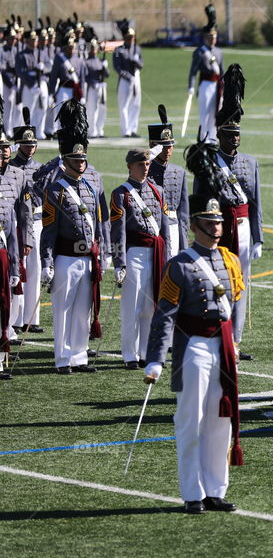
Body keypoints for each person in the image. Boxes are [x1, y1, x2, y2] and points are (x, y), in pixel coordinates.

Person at [143, 194, 245, 514]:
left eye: (218, 222)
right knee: (191, 419)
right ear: (195, 226)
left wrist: (237, 344)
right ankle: (191, 492)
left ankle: (215, 489)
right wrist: (156, 359)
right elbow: (165, 316)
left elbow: (235, 306)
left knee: (220, 420)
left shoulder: (229, 259)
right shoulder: (179, 265)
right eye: (210, 223)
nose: (216, 228)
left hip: (223, 347)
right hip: (194, 347)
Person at [190, 64, 262, 360]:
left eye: (237, 134)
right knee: (220, 280)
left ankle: (236, 340)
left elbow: (256, 201)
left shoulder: (250, 162)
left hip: (242, 227)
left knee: (241, 282)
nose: (234, 139)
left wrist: (257, 237)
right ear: (219, 135)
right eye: (229, 134)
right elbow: (198, 200)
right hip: (219, 227)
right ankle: (217, 333)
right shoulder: (208, 162)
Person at [39, 100, 106, 374]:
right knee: (63, 310)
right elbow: (49, 229)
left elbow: (98, 222)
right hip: (65, 257)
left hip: (87, 256)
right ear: (64, 161)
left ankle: (79, 357)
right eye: (75, 160)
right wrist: (47, 262)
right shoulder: (56, 190)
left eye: (82, 159)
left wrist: (105, 250)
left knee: (82, 311)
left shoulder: (91, 186)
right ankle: (62, 359)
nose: (80, 164)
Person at [110, 148, 171, 369]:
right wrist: (119, 262)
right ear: (130, 166)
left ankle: (146, 352)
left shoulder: (158, 191)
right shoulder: (120, 194)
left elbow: (164, 230)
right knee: (132, 307)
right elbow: (118, 232)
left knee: (150, 307)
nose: (145, 168)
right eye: (140, 165)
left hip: (155, 253)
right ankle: (129, 354)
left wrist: (169, 259)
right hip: (134, 253)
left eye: (147, 164)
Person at [9, 112, 43, 335]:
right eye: (26, 143)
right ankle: (17, 318)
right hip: (17, 223)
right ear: (19, 144)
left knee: (35, 269)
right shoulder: (11, 166)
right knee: (18, 269)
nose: (30, 147)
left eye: (33, 144)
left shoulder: (40, 167)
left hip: (37, 221)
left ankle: (32, 317)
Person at [148, 105, 189, 257]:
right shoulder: (145, 172)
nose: (168, 150)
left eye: (170, 146)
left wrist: (184, 243)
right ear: (153, 146)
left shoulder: (179, 172)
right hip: (153, 227)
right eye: (163, 146)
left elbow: (183, 213)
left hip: (173, 226)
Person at [0, 126, 22, 377]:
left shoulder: (10, 182)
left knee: (2, 305)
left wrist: (15, 266)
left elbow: (11, 229)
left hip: (2, 252)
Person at [187, 5, 224, 143]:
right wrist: (191, 86)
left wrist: (225, 86)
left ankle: (213, 137)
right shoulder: (199, 52)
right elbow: (193, 71)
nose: (213, 38)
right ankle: (203, 137)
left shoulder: (219, 52)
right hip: (205, 84)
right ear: (205, 37)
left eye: (214, 36)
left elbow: (222, 70)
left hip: (217, 85)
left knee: (216, 113)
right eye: (210, 36)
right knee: (205, 113)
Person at [14, 29, 46, 135]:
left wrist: (43, 68)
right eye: (32, 40)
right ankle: (28, 132)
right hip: (29, 86)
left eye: (35, 39)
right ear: (27, 41)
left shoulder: (40, 52)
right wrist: (32, 85)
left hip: (41, 83)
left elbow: (50, 66)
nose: (34, 42)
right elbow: (21, 73)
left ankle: (40, 131)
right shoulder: (21, 55)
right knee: (29, 109)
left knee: (42, 108)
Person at [83, 38, 109, 138]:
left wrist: (105, 67)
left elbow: (106, 75)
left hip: (101, 88)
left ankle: (100, 130)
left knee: (102, 109)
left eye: (95, 47)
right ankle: (92, 131)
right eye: (92, 47)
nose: (93, 49)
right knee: (92, 109)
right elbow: (85, 77)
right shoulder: (86, 62)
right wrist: (93, 83)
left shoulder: (100, 61)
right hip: (92, 88)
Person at [0, 22, 18, 138]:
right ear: (6, 38)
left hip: (15, 81)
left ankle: (11, 128)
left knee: (14, 106)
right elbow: (2, 68)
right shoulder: (2, 50)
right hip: (6, 81)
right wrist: (10, 83)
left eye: (14, 38)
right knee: (6, 106)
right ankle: (6, 129)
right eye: (11, 38)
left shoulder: (15, 50)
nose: (13, 40)